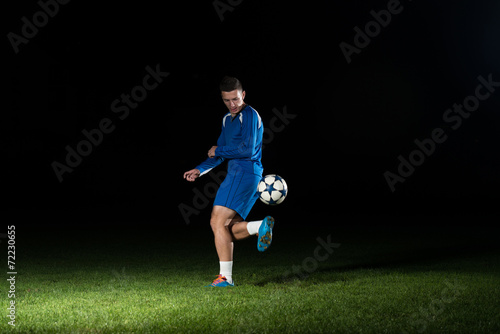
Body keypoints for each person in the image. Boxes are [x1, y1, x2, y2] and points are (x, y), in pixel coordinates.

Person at [183, 76, 274, 287]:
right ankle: (259, 226)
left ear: (243, 95)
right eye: (227, 100)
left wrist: (219, 150)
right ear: (222, 99)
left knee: (216, 221)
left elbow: (247, 149)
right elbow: (219, 155)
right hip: (242, 174)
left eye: (235, 99)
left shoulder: (250, 115)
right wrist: (200, 169)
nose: (232, 105)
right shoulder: (226, 119)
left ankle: (225, 278)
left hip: (244, 173)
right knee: (224, 226)